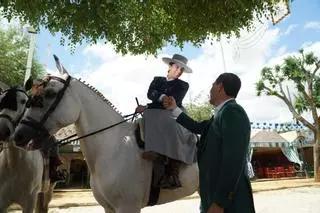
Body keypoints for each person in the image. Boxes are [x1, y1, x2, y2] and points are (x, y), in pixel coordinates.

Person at [163, 73, 255, 213]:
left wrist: (220, 202)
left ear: (220, 87)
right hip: (213, 199)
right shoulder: (220, 114)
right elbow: (197, 127)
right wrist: (175, 109)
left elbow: (233, 162)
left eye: (212, 85)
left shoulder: (233, 112)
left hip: (230, 205)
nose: (210, 90)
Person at [136, 54, 197, 189]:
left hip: (174, 111)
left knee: (171, 125)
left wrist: (151, 104)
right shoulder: (157, 80)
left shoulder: (183, 85)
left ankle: (172, 173)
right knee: (147, 118)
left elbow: (172, 102)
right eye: (177, 67)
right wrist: (160, 98)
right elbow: (150, 94)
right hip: (155, 111)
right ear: (170, 65)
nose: (179, 71)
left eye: (182, 69)